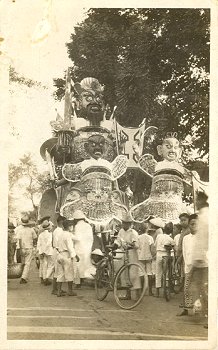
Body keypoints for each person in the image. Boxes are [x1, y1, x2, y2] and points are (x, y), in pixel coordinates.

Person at [190, 191, 208, 327]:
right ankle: (204, 312)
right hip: (202, 257)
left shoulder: (205, 217)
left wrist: (198, 258)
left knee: (202, 287)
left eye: (197, 199)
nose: (195, 202)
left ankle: (206, 313)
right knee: (201, 287)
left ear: (201, 200)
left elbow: (204, 239)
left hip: (203, 258)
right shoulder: (203, 216)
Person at [114, 214, 141, 300]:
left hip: (132, 253)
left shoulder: (133, 233)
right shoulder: (121, 231)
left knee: (133, 273)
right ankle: (127, 294)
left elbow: (136, 245)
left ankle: (138, 295)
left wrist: (131, 244)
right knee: (125, 273)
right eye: (123, 223)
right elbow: (118, 241)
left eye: (126, 223)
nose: (124, 225)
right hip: (124, 253)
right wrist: (115, 244)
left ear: (130, 224)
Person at [177, 214, 198, 316]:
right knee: (186, 288)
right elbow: (185, 253)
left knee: (198, 289)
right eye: (191, 224)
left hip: (199, 267)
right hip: (188, 266)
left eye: (195, 224)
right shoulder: (186, 237)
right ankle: (186, 309)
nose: (193, 226)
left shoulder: (201, 237)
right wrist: (186, 266)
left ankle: (199, 311)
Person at [56, 219, 80, 297]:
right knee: (70, 272)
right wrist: (75, 255)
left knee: (60, 273)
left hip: (60, 254)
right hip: (66, 255)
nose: (72, 227)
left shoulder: (61, 234)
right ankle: (70, 291)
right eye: (72, 226)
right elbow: (70, 247)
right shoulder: (68, 235)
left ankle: (59, 291)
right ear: (69, 227)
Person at [72, 210, 95, 286]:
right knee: (87, 264)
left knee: (78, 265)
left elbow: (78, 238)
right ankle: (91, 279)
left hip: (79, 248)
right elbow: (91, 238)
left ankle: (79, 282)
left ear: (76, 219)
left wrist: (70, 236)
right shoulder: (88, 226)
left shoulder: (77, 226)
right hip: (87, 248)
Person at [154, 218, 175, 297]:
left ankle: (157, 292)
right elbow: (173, 247)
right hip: (166, 255)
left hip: (159, 254)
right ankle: (165, 291)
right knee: (166, 273)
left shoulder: (159, 236)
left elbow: (155, 245)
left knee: (158, 272)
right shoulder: (171, 239)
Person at [17, 215, 37, 284]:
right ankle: (23, 277)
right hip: (29, 247)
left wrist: (20, 249)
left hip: (22, 248)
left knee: (23, 263)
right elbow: (35, 238)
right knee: (27, 263)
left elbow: (19, 240)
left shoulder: (20, 231)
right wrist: (34, 244)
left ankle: (23, 276)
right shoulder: (31, 230)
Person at [137, 222, 155, 296]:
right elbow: (152, 249)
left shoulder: (138, 237)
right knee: (149, 273)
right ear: (147, 229)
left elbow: (137, 247)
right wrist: (153, 255)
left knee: (141, 274)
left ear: (140, 229)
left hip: (140, 257)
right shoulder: (150, 238)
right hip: (148, 257)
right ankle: (150, 291)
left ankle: (141, 291)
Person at [51, 215, 66, 295]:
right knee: (58, 271)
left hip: (56, 250)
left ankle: (56, 288)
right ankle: (55, 289)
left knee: (57, 271)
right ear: (61, 222)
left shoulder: (58, 230)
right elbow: (57, 243)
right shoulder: (59, 231)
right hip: (57, 251)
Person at [36, 219, 54, 286]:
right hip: (49, 251)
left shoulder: (41, 235)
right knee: (51, 265)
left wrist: (40, 252)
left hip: (42, 252)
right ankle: (46, 278)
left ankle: (43, 278)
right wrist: (45, 251)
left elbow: (39, 244)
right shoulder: (50, 234)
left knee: (43, 265)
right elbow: (49, 243)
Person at [176, 213, 190, 288]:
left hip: (185, 255)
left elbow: (186, 247)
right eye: (181, 220)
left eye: (184, 220)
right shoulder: (183, 230)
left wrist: (180, 257)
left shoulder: (189, 230)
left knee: (186, 272)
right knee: (182, 272)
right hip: (181, 254)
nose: (183, 222)